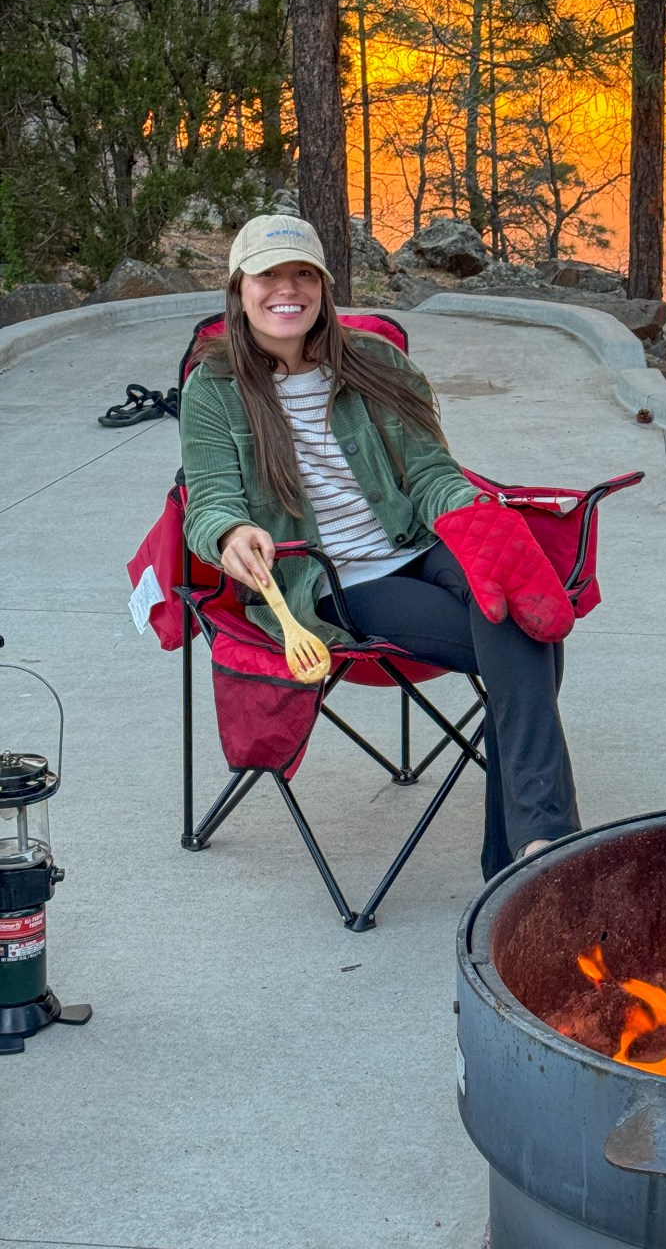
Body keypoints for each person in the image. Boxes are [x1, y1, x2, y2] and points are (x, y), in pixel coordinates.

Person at [179, 214, 581, 877]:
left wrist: (474, 518)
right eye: (268, 275)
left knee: (518, 604)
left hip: (421, 542)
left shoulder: (376, 362)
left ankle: (528, 854)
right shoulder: (214, 391)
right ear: (239, 288)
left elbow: (430, 474)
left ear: (324, 287)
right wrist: (230, 533)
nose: (288, 289)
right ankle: (537, 848)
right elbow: (210, 499)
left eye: (303, 273)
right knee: (522, 633)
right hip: (335, 581)